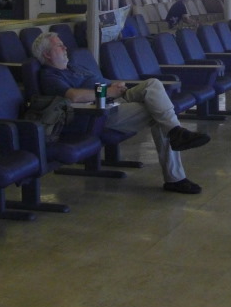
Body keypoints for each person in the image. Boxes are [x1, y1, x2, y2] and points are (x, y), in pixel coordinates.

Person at [33, 32, 210, 194]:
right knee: (159, 114)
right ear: (47, 54)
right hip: (98, 113)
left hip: (115, 97)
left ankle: (175, 134)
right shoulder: (50, 75)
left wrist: (116, 85)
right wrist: (109, 92)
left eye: (63, 44)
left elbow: (101, 82)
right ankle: (175, 172)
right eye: (59, 46)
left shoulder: (73, 67)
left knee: (153, 84)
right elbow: (74, 96)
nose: (65, 48)